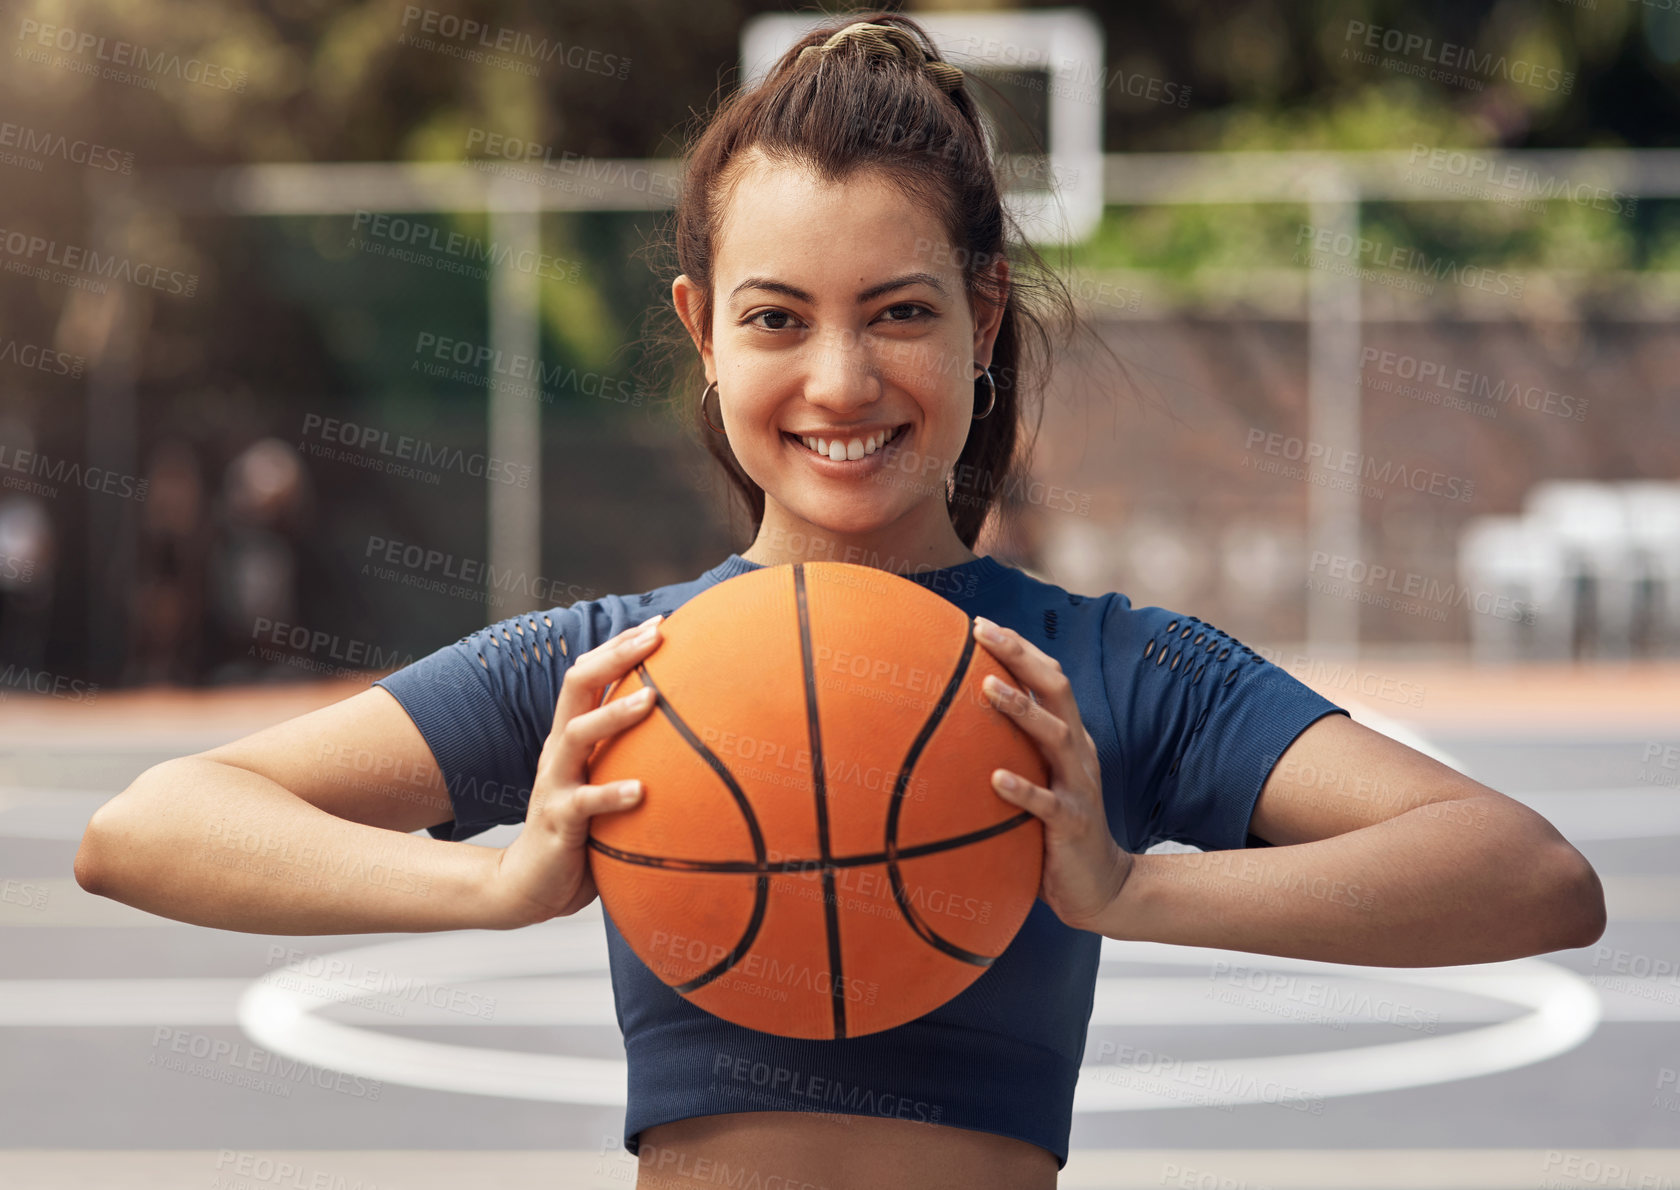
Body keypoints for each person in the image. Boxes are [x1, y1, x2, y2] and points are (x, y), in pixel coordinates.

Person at [74, 14, 1606, 1189]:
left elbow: (1530, 874)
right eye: (777, 319)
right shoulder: (616, 673)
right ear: (702, 334)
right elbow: (143, 828)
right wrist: (494, 881)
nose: (839, 380)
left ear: (984, 312)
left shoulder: (1091, 672)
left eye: (900, 313)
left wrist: (1138, 890)